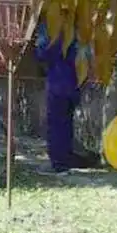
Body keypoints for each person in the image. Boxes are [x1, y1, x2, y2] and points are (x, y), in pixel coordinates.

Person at [34, 18, 97, 174]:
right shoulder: (82, 22)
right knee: (66, 122)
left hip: (58, 79)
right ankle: (67, 157)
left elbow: (43, 52)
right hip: (76, 80)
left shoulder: (52, 24)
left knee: (56, 123)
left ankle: (59, 162)